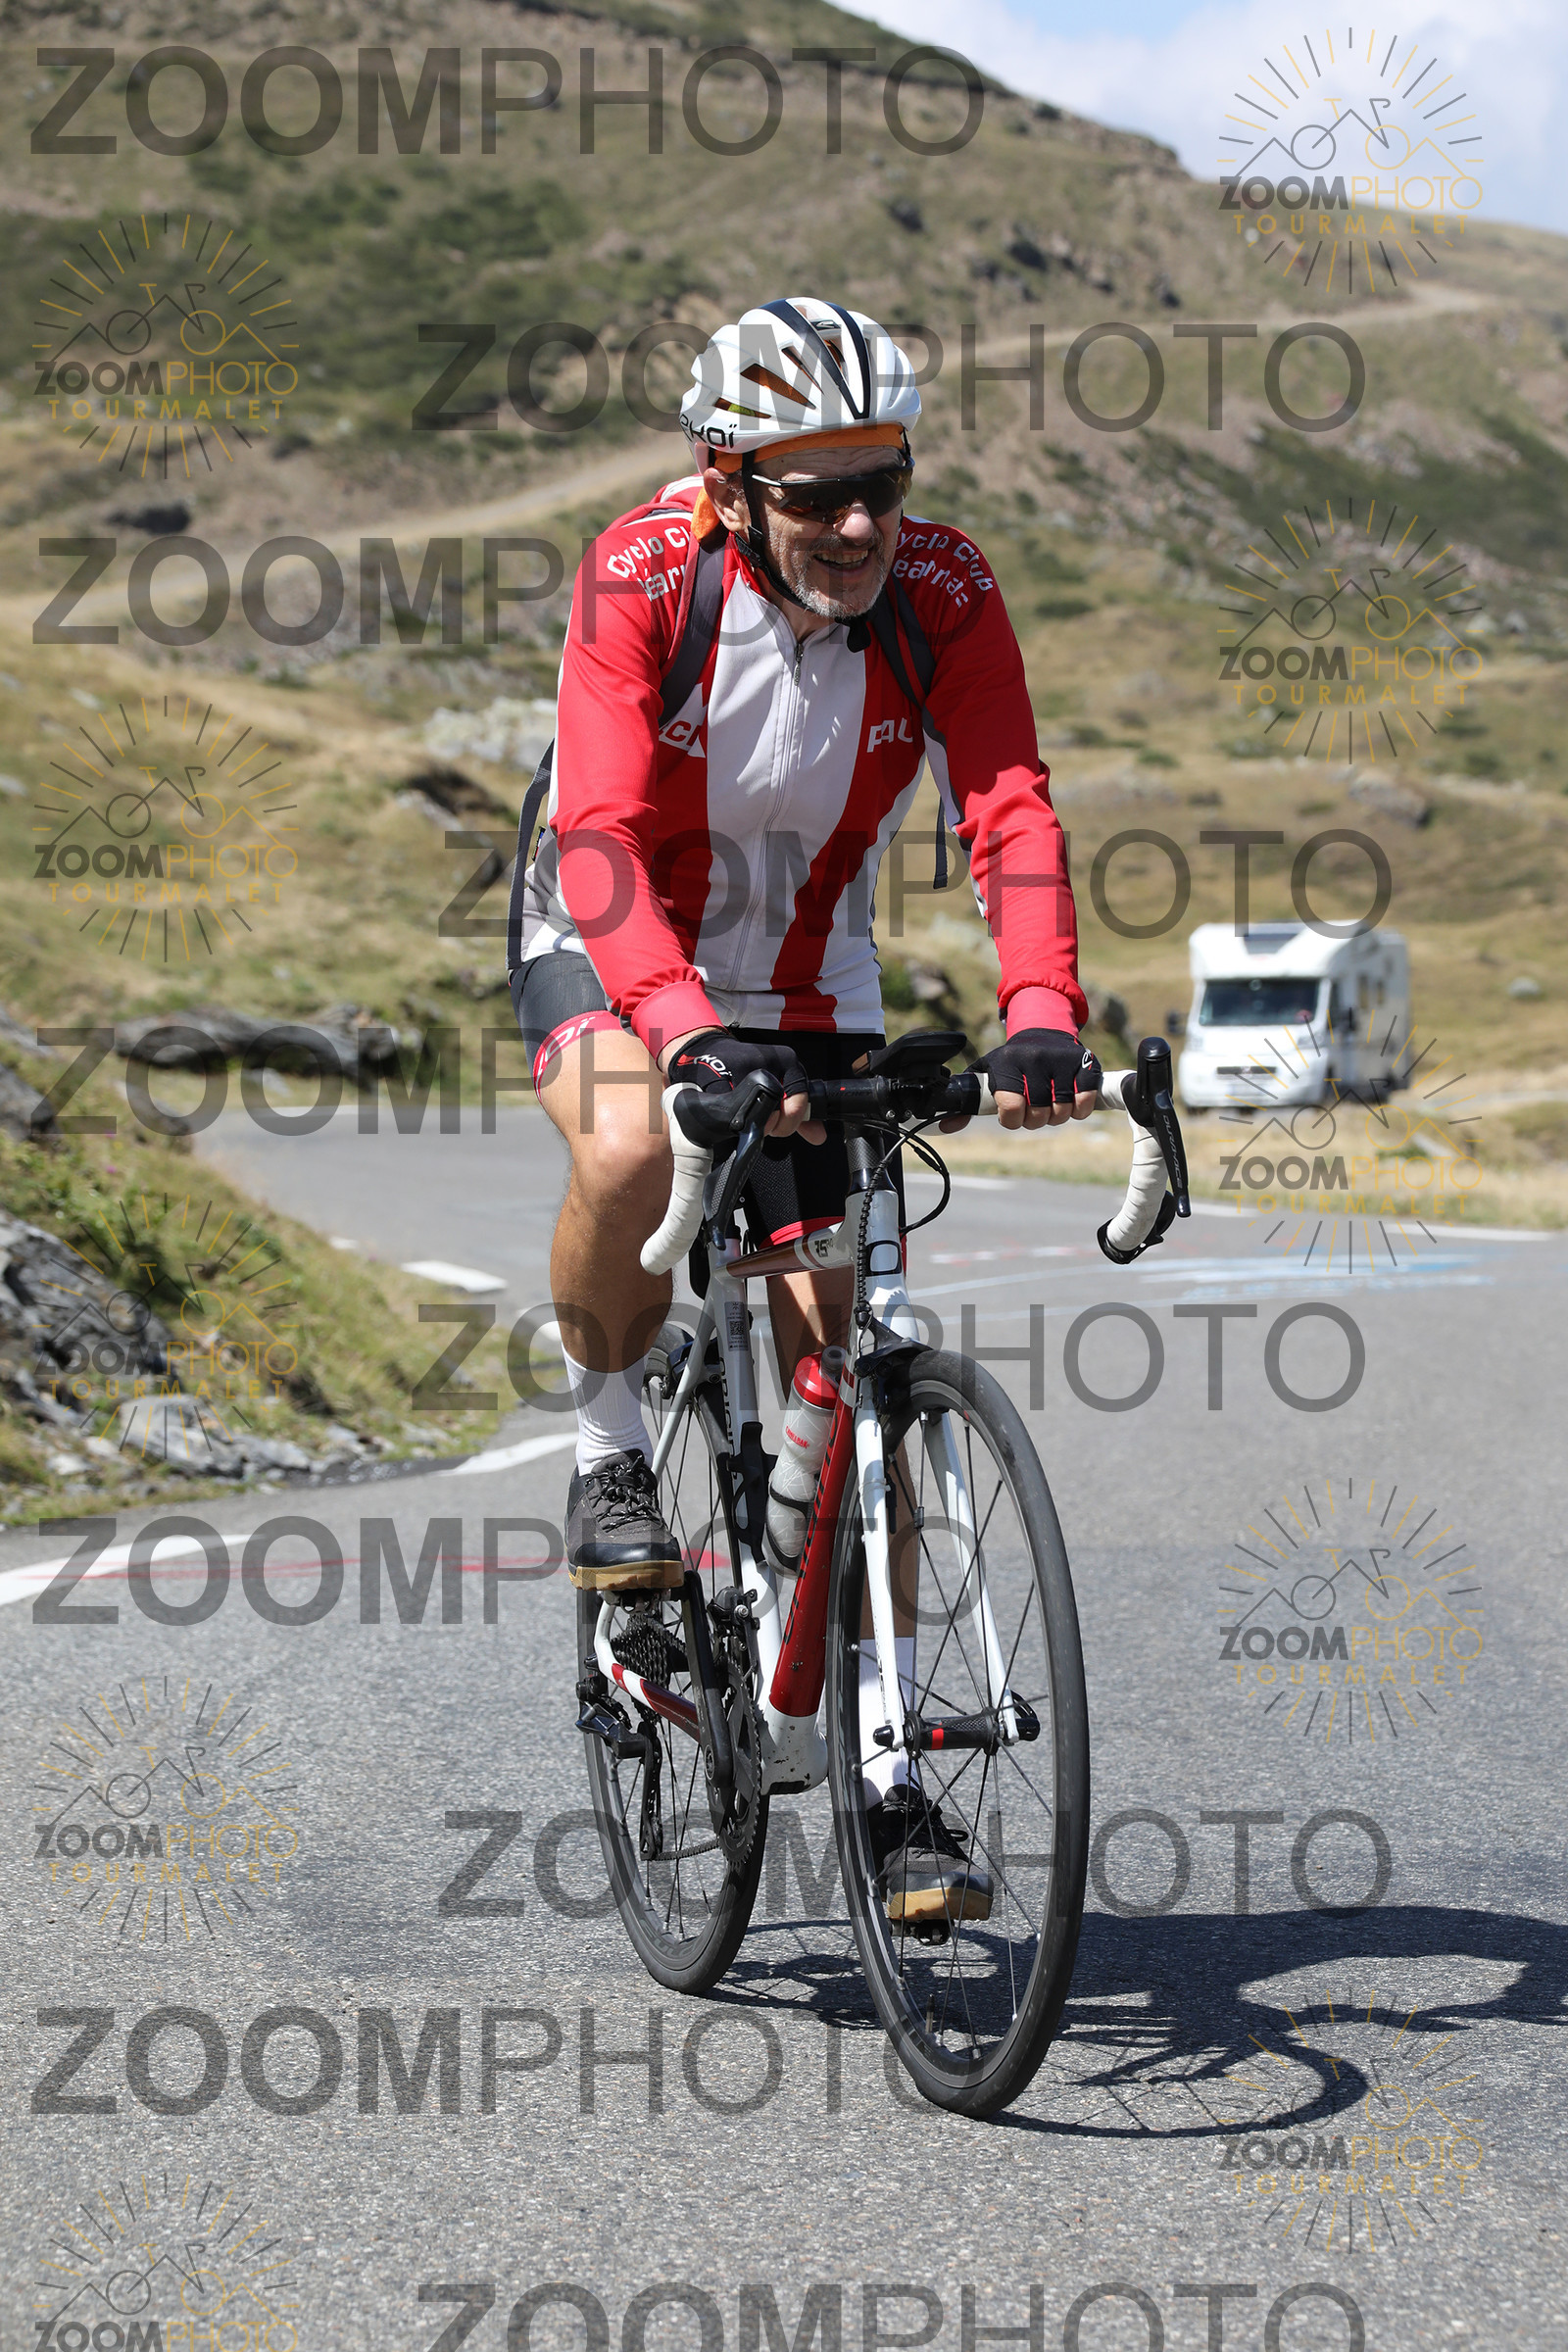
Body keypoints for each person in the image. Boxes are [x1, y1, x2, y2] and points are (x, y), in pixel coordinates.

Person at [508, 297, 1099, 1915]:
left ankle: (892, 1786)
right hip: (610, 930)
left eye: (880, 486)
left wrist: (1042, 1009)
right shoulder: (643, 576)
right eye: (814, 491)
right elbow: (600, 836)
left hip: (811, 965)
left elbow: (1008, 804)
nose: (856, 526)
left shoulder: (944, 590)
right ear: (726, 483)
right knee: (632, 1142)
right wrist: (686, 1031)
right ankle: (609, 1456)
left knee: (850, 1380)